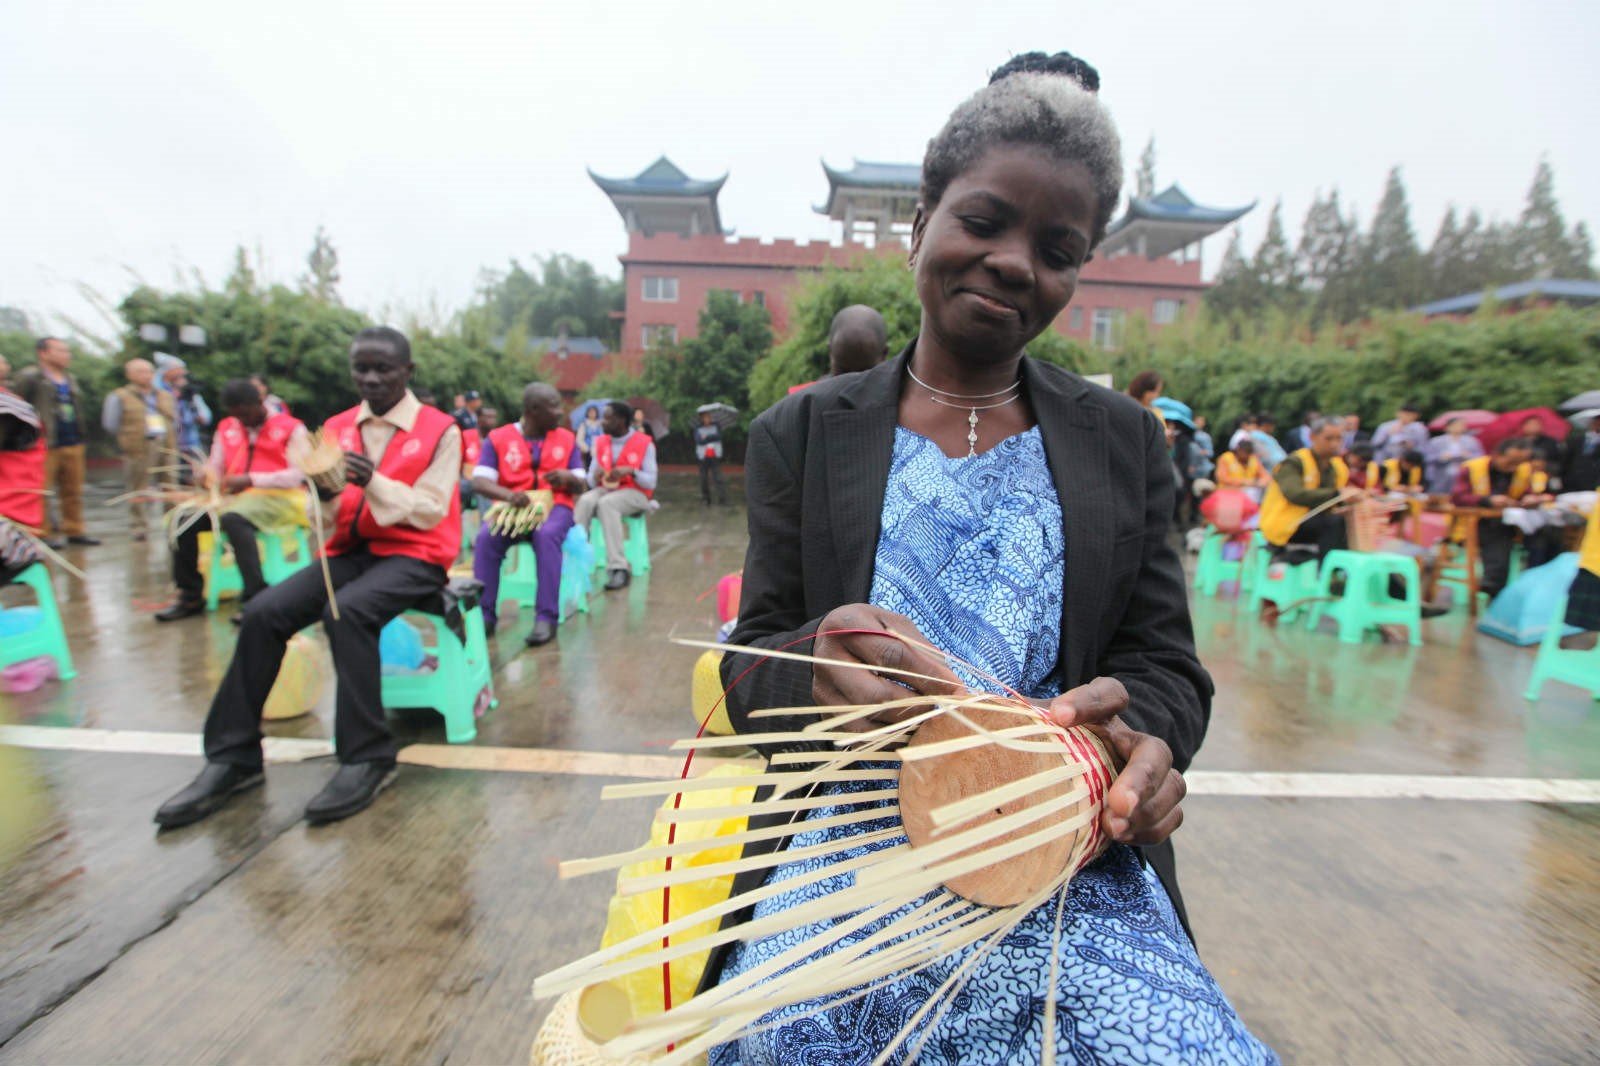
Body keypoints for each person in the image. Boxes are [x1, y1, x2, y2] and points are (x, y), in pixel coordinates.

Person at [707, 51, 1271, 1065]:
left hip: (1059, 854)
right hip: (851, 848)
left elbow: (1166, 667)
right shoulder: (804, 434)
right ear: (923, 216)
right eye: (983, 220)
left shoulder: (1122, 440)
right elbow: (748, 669)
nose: (1015, 261)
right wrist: (814, 655)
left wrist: (1136, 741)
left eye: (1057, 247)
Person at [154, 327, 461, 828]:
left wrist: (373, 480)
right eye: (361, 367)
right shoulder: (336, 428)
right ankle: (234, 757)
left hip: (417, 555)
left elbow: (430, 510)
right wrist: (326, 491)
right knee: (263, 613)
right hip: (351, 549)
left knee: (348, 611)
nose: (371, 377)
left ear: (408, 371)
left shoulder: (441, 429)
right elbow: (329, 511)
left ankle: (367, 757)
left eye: (383, 368)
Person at [153, 379, 310, 622]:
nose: (243, 421)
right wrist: (205, 475)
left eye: (246, 414)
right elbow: (216, 465)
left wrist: (251, 479)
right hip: (234, 498)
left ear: (259, 402)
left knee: (234, 519)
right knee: (181, 519)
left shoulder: (291, 428)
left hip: (282, 498)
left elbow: (299, 474)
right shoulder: (227, 427)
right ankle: (191, 594)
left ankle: (256, 596)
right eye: (237, 416)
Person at [470, 383, 585, 645]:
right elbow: (480, 481)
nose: (559, 412)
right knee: (486, 538)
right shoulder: (499, 438)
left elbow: (581, 482)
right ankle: (485, 617)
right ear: (532, 411)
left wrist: (567, 477)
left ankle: (546, 618)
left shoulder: (567, 439)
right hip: (514, 507)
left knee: (546, 536)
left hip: (556, 506)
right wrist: (508, 495)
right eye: (553, 406)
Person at [11, 337, 98, 548]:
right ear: (43, 353)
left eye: (67, 351)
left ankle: (75, 530)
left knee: (73, 490)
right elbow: (15, 406)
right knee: (43, 491)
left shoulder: (69, 378)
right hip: (43, 443)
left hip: (72, 441)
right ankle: (43, 532)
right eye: (60, 350)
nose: (66, 355)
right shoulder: (30, 377)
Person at [1451, 438, 1558, 600]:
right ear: (1497, 455)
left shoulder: (1522, 471)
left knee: (1547, 534)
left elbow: (1525, 493)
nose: (1513, 467)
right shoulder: (1472, 468)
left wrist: (1531, 499)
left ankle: (1536, 582)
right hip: (1474, 523)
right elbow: (1458, 497)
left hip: (1510, 523)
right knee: (1497, 533)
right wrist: (1487, 500)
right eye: (1511, 462)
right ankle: (1494, 583)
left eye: (1519, 463)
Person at [573, 401, 657, 591]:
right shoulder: (601, 442)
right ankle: (575, 561)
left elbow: (651, 482)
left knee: (607, 504)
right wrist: (594, 476)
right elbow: (591, 481)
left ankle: (619, 568)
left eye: (607, 418)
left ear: (621, 420)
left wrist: (633, 471)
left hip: (637, 493)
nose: (602, 422)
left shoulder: (644, 443)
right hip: (607, 489)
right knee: (585, 500)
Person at [1259, 415, 1357, 558]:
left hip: (1315, 523)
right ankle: (1327, 573)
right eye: (1329, 438)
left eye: (1339, 439)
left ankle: (1343, 569)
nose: (1335, 444)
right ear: (1312, 437)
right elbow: (1295, 495)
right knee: (1333, 523)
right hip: (1286, 525)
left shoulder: (1339, 467)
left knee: (1349, 521)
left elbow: (1333, 502)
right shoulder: (1294, 462)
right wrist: (1338, 494)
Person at [101, 358, 178, 541]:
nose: (146, 375)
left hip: (165, 444)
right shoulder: (119, 396)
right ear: (129, 375)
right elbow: (111, 424)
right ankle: (139, 527)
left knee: (170, 486)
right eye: (141, 371)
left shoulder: (164, 395)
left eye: (149, 371)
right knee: (138, 487)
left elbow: (175, 420)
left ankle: (173, 523)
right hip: (138, 447)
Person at [788, 305, 892, 394]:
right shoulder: (801, 403)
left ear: (884, 354)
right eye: (843, 371)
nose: (851, 383)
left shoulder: (902, 406)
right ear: (830, 350)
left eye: (864, 373)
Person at [156, 353, 213, 465]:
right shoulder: (157, 391)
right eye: (179, 370)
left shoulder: (189, 392)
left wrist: (190, 399)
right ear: (167, 372)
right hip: (167, 445)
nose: (183, 373)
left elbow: (205, 417)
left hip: (191, 443)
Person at [1424, 416, 1484, 495]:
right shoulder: (1436, 441)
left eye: (1461, 425)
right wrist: (1441, 457)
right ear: (1448, 427)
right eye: (1456, 425)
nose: (1458, 427)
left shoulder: (1472, 441)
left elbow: (1481, 457)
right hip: (1442, 472)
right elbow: (1428, 458)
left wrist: (1468, 456)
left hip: (1464, 470)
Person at [693, 410, 728, 506]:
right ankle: (706, 499)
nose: (707, 419)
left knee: (718, 478)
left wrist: (706, 437)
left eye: (708, 416)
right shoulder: (698, 428)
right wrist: (710, 437)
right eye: (705, 417)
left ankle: (723, 499)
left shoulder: (716, 426)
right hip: (703, 456)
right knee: (703, 478)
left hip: (714, 455)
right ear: (701, 418)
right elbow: (698, 440)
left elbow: (718, 437)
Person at [1562, 417, 1600, 493]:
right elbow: (1566, 460)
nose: (1597, 424)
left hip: (1595, 482)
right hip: (1573, 482)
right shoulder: (1576, 439)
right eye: (1595, 422)